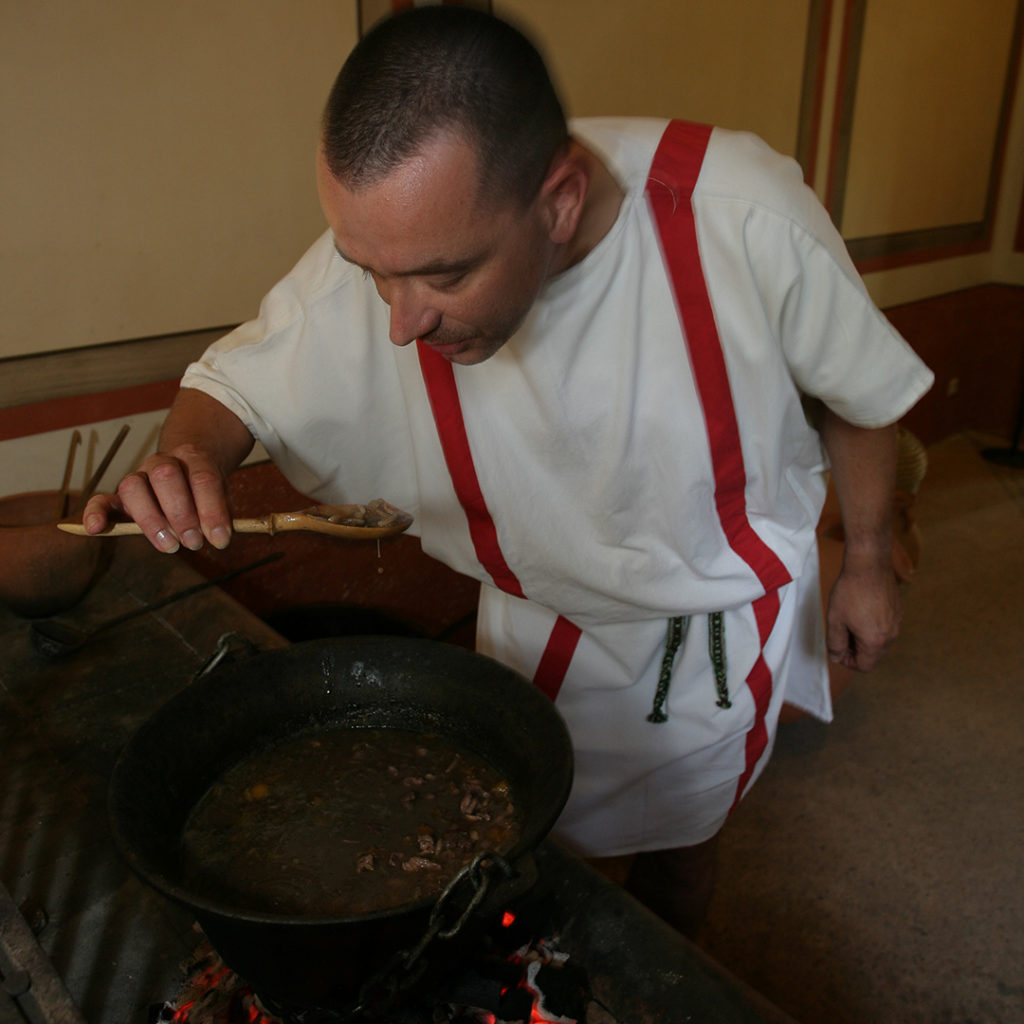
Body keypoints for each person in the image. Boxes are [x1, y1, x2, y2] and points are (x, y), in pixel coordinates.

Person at [83, 7, 933, 937]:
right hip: (536, 620)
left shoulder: (738, 215)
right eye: (371, 271)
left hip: (710, 626)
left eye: (444, 278)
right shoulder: (405, 238)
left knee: (683, 855)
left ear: (560, 201)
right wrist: (190, 454)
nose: (400, 322)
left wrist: (863, 565)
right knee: (534, 872)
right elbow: (239, 379)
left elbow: (861, 391)